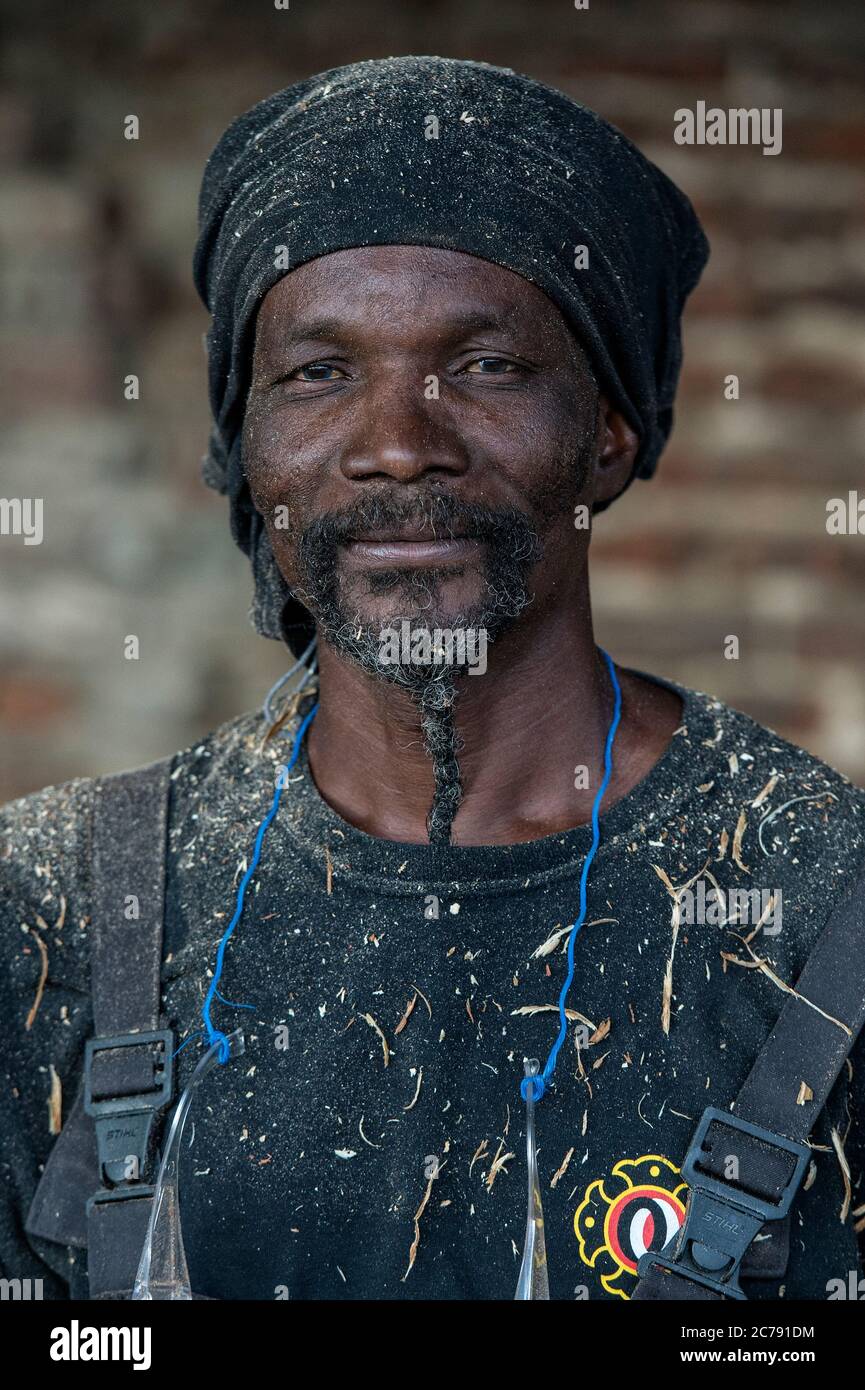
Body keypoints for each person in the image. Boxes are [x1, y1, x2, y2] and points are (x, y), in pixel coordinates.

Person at [2, 56, 864, 1302]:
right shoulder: (56, 914)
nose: (399, 443)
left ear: (610, 431)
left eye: (487, 365)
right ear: (247, 447)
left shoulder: (821, 907)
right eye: (318, 373)